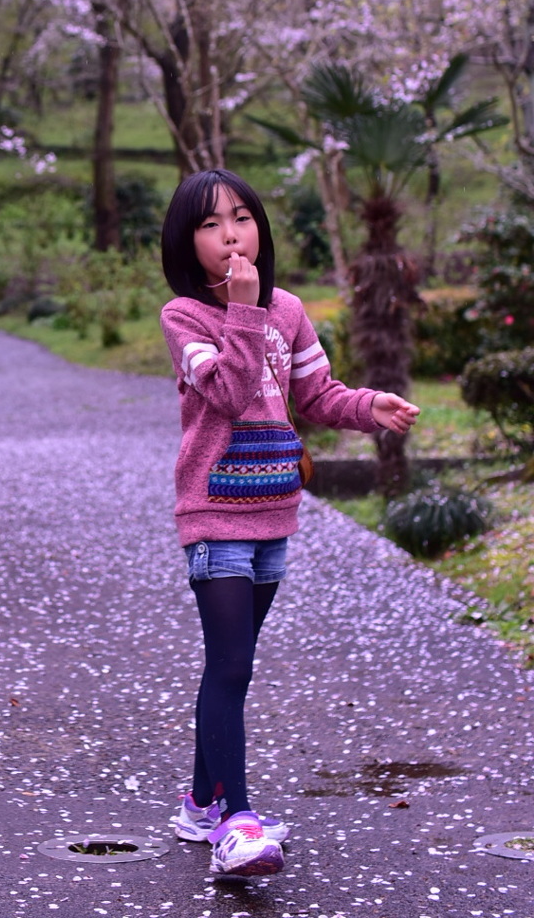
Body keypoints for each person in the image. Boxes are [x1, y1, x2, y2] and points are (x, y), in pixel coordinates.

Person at [159, 168, 419, 879]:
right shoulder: (185, 317)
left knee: (230, 666)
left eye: (240, 217)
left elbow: (316, 393)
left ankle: (200, 806)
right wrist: (243, 310)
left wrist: (370, 408)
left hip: (274, 512)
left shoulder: (290, 311)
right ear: (188, 243)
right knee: (233, 662)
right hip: (213, 512)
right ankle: (237, 824)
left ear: (259, 228)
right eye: (210, 224)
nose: (230, 233)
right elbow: (231, 391)